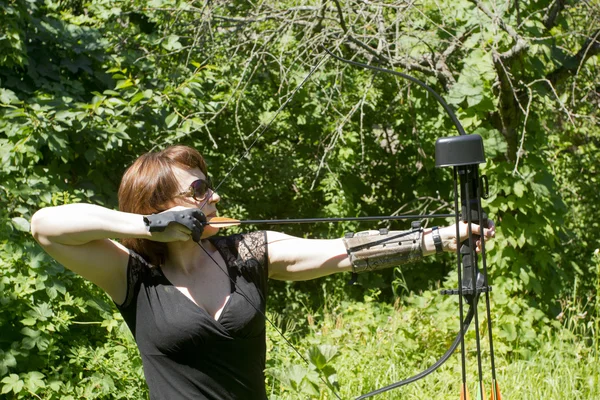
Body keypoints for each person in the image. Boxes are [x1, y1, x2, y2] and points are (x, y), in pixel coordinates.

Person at [30, 145, 494, 400]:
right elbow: (46, 227)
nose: (214, 198)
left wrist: (434, 238)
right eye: (199, 190)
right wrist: (150, 228)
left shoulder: (247, 252)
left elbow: (341, 252)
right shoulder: (132, 275)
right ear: (161, 204)